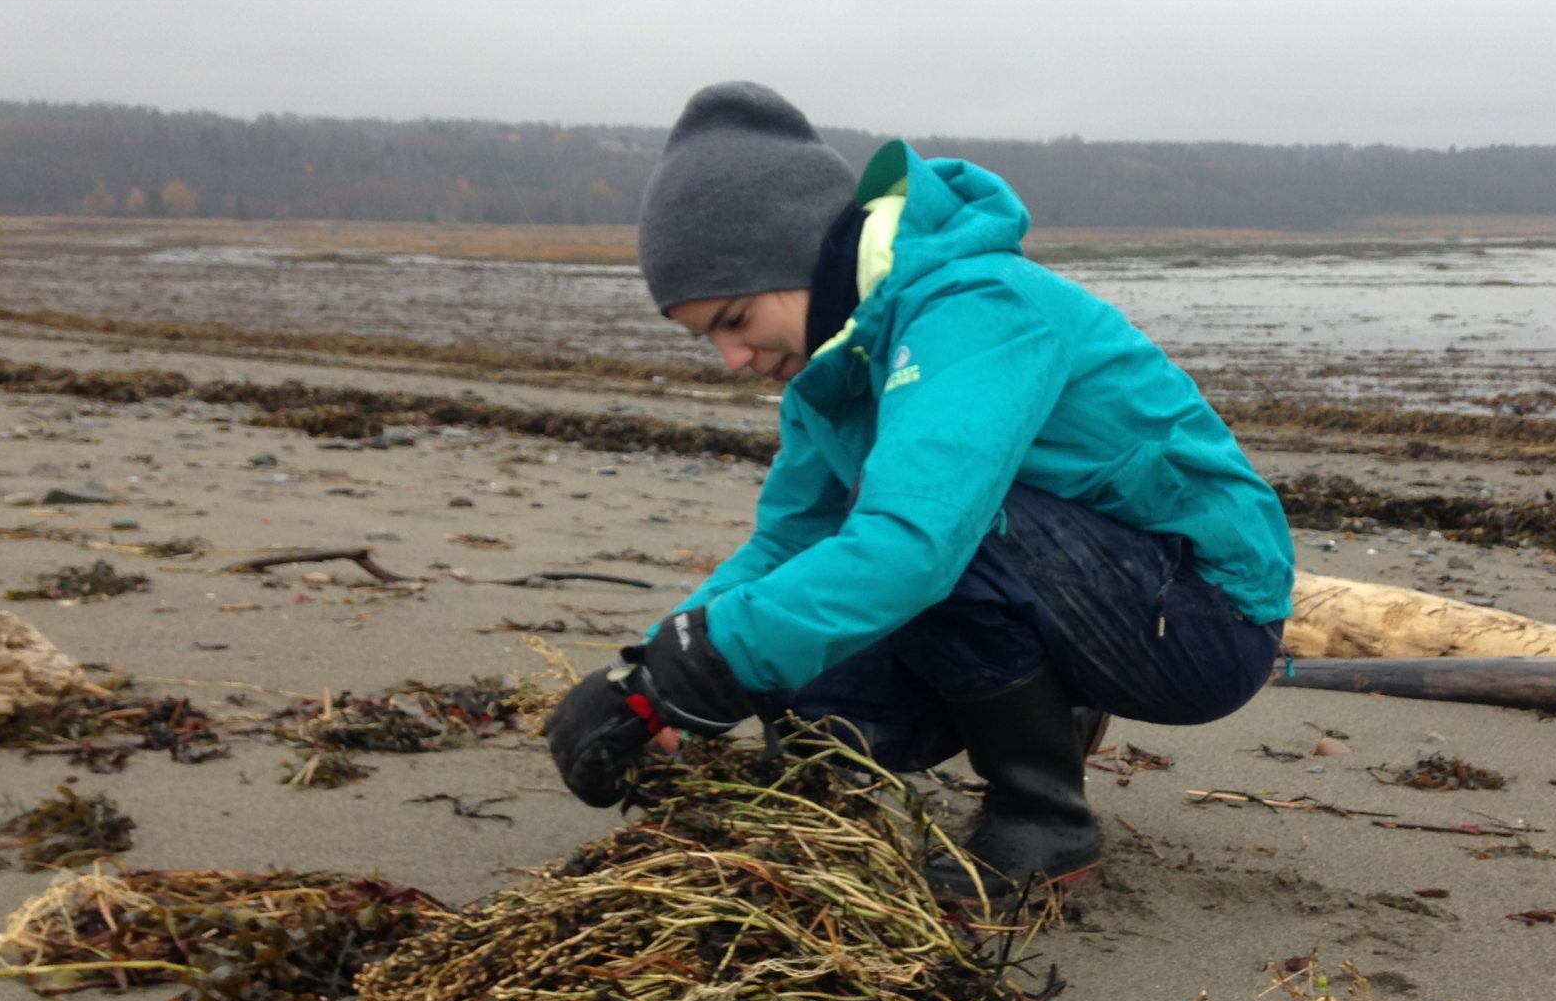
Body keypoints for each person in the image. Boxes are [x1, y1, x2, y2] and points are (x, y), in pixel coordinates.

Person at [547, 81, 1293, 903]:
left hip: (1204, 618)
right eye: (706, 339)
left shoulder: (976, 308)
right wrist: (654, 676)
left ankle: (1045, 819)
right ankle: (1053, 707)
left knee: (928, 540)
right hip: (1066, 584)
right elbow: (784, 545)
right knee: (807, 694)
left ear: (802, 257)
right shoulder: (829, 373)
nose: (732, 360)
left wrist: (703, 665)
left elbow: (915, 544)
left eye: (734, 319)